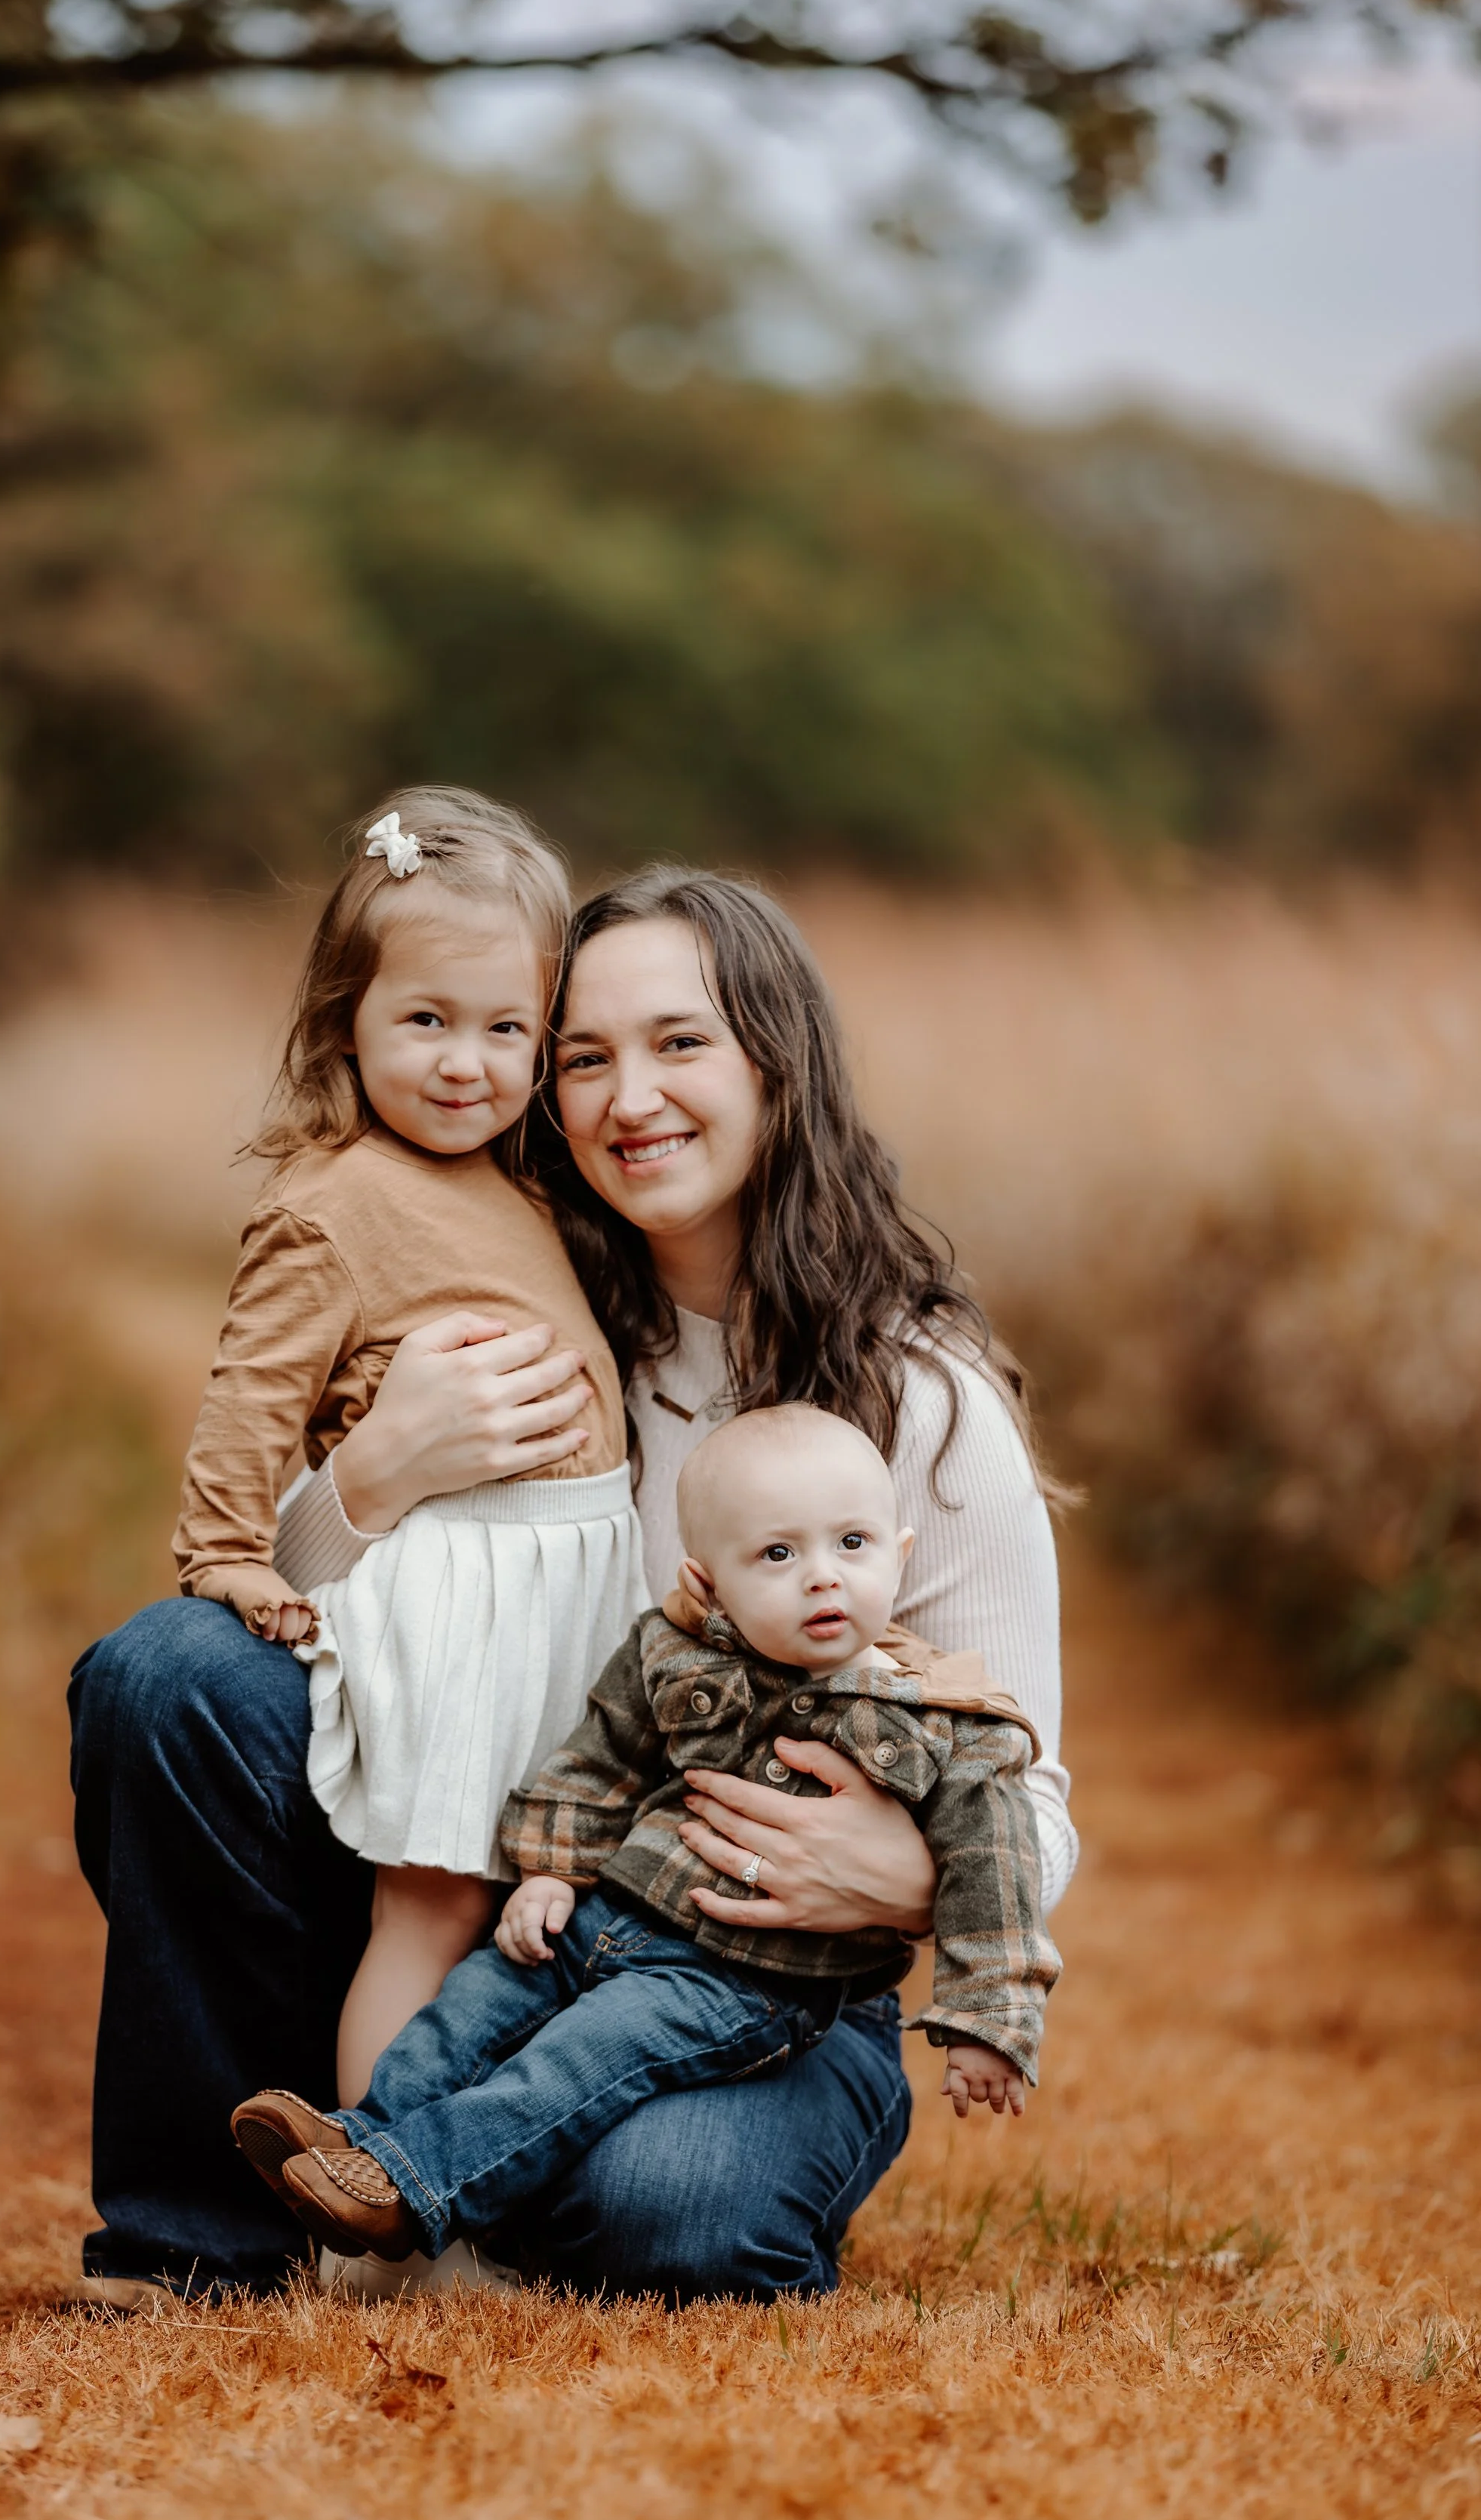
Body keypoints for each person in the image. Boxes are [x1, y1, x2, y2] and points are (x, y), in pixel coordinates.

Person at [69, 860, 1076, 2306]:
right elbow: (307, 1606)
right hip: (462, 1876)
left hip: (750, 1973)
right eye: (585, 1056)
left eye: (681, 1044)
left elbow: (1033, 1791)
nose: (629, 1098)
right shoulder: (524, 1301)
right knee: (169, 1679)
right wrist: (371, 1477)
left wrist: (914, 1877)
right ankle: (202, 2241)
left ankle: (463, 2168)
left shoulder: (917, 1402)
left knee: (671, 2211)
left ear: (778, 1064)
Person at [227, 1406, 1059, 2264]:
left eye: (852, 1544)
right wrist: (551, 1873)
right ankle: (356, 2142)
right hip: (603, 1920)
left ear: (900, 1552)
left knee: (578, 2059)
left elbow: (995, 1874)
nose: (822, 1577)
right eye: (778, 1554)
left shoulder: (947, 1723)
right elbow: (598, 1760)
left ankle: (412, 2189)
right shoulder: (675, 1653)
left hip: (741, 1981)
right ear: (708, 1580)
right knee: (471, 2007)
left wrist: (985, 2022)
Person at [171, 787, 644, 2105]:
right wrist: (225, 1555)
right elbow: (249, 1398)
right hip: (464, 1590)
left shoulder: (529, 1182)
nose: (466, 1064)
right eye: (425, 1020)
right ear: (348, 1019)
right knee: (431, 1913)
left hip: (569, 1592)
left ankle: (465, 2178)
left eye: (508, 1030)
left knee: (533, 1908)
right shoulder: (336, 1200)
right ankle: (374, 2196)